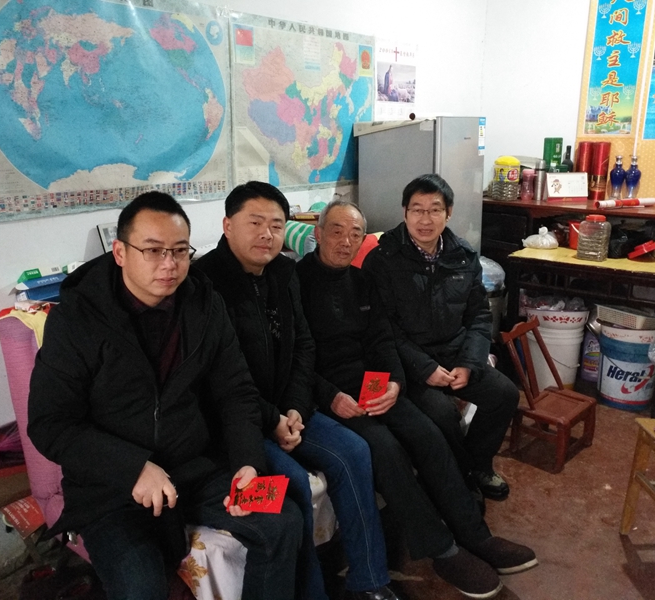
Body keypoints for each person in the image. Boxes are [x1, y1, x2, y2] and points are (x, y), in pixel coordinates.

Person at [28, 192, 303, 600]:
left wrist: (247, 461)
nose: (169, 264)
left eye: (179, 251)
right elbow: (50, 423)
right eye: (153, 250)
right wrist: (133, 468)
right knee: (142, 586)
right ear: (120, 252)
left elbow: (235, 391)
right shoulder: (78, 318)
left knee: (282, 522)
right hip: (112, 488)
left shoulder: (204, 304)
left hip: (194, 466)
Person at [297, 199, 537, 599]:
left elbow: (382, 339)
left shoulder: (362, 280)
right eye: (336, 231)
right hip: (329, 392)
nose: (346, 241)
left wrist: (393, 382)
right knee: (385, 449)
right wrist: (330, 395)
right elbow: (296, 355)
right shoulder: (295, 282)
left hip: (372, 382)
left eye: (356, 233)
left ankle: (476, 536)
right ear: (318, 233)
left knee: (428, 434)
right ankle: (442, 550)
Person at [196, 181, 398, 600]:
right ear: (228, 225)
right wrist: (273, 418)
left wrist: (294, 408)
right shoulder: (204, 284)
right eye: (255, 223)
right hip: (238, 422)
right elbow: (220, 379)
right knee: (293, 483)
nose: (267, 234)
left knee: (354, 451)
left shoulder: (285, 273)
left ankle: (369, 580)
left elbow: (304, 346)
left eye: (276, 225)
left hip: (289, 408)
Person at [362, 174, 520, 501]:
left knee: (504, 394)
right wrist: (424, 368)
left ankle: (478, 465)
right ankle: (459, 477)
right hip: (409, 362)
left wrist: (469, 363)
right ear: (404, 213)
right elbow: (383, 327)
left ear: (448, 213)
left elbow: (479, 316)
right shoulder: (383, 259)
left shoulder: (463, 256)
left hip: (454, 353)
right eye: (417, 210)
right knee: (442, 414)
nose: (425, 219)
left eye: (435, 210)